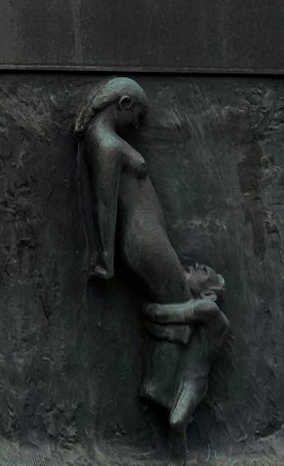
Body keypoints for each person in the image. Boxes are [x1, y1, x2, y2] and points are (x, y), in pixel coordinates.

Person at [75, 77, 228, 437]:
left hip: (148, 241)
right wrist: (105, 258)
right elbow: (104, 203)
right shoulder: (107, 143)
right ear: (124, 104)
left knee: (175, 302)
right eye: (138, 116)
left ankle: (160, 388)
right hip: (144, 243)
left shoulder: (103, 142)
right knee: (177, 301)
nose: (137, 125)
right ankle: (163, 393)